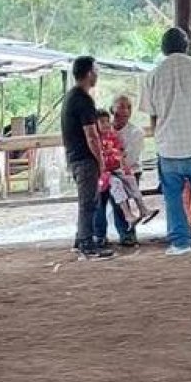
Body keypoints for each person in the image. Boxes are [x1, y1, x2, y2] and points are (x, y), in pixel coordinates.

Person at [139, 26, 191, 256]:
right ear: (186, 46)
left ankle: (180, 243)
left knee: (173, 198)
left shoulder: (153, 75)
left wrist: (159, 139)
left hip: (168, 147)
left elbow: (152, 115)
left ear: (163, 48)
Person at [61, 55, 114, 259]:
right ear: (89, 73)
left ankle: (81, 237)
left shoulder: (71, 96)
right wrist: (100, 160)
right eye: (96, 71)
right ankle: (86, 242)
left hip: (74, 156)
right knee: (88, 201)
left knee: (89, 199)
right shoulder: (83, 100)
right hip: (84, 158)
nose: (97, 75)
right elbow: (91, 135)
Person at [97, 110, 156, 227]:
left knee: (131, 179)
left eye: (107, 121)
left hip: (116, 167)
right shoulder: (96, 140)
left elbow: (119, 150)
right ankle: (127, 214)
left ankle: (142, 208)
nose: (106, 124)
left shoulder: (112, 136)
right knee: (117, 184)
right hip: (104, 173)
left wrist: (123, 163)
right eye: (102, 122)